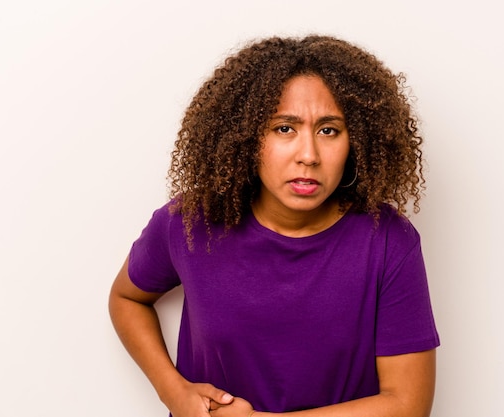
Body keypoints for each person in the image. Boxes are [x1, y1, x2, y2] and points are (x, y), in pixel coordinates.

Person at [109, 35, 440, 417]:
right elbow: (127, 298)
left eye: (329, 130)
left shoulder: (387, 240)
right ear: (248, 137)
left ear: (358, 141)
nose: (309, 155)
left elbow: (408, 405)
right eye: (285, 128)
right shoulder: (189, 223)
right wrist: (173, 392)